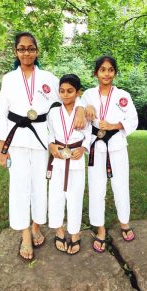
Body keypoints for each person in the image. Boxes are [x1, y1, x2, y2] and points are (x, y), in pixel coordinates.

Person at [0, 32, 86, 261]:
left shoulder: (48, 78)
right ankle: (24, 234)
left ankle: (36, 225)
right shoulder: (9, 79)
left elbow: (69, 94)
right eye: (22, 49)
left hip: (42, 138)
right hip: (17, 138)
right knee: (19, 185)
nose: (26, 53)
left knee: (40, 184)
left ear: (37, 51)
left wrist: (81, 107)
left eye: (31, 48)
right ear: (16, 52)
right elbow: (1, 112)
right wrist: (2, 148)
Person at [82, 55, 138, 253]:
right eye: (102, 69)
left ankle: (124, 222)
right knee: (97, 188)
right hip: (96, 146)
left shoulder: (123, 96)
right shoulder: (88, 94)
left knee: (121, 185)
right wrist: (85, 108)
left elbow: (133, 119)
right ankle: (101, 229)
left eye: (110, 69)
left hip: (117, 145)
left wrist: (114, 125)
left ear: (115, 72)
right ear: (96, 72)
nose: (107, 73)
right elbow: (79, 115)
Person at [47, 74, 91, 255]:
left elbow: (90, 134)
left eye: (70, 91)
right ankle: (59, 230)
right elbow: (49, 132)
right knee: (56, 197)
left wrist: (84, 148)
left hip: (75, 157)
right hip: (58, 158)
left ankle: (74, 234)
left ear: (78, 92)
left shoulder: (85, 112)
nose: (65, 95)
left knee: (75, 196)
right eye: (62, 91)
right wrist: (51, 145)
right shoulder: (53, 112)